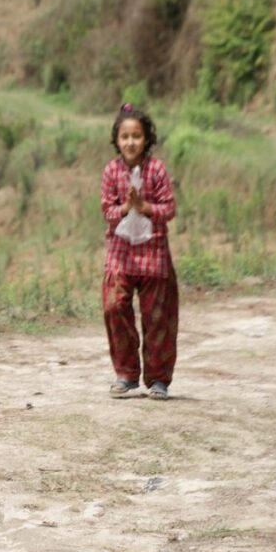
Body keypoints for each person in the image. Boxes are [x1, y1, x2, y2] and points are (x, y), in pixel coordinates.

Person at [101, 102, 178, 400]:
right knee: (114, 306)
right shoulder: (111, 171)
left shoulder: (157, 170)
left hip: (154, 253)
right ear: (117, 140)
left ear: (146, 139)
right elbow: (106, 210)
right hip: (119, 251)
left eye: (136, 136)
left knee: (157, 316)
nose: (130, 142)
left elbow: (169, 208)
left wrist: (145, 207)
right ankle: (126, 374)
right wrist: (125, 207)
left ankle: (158, 379)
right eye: (125, 137)